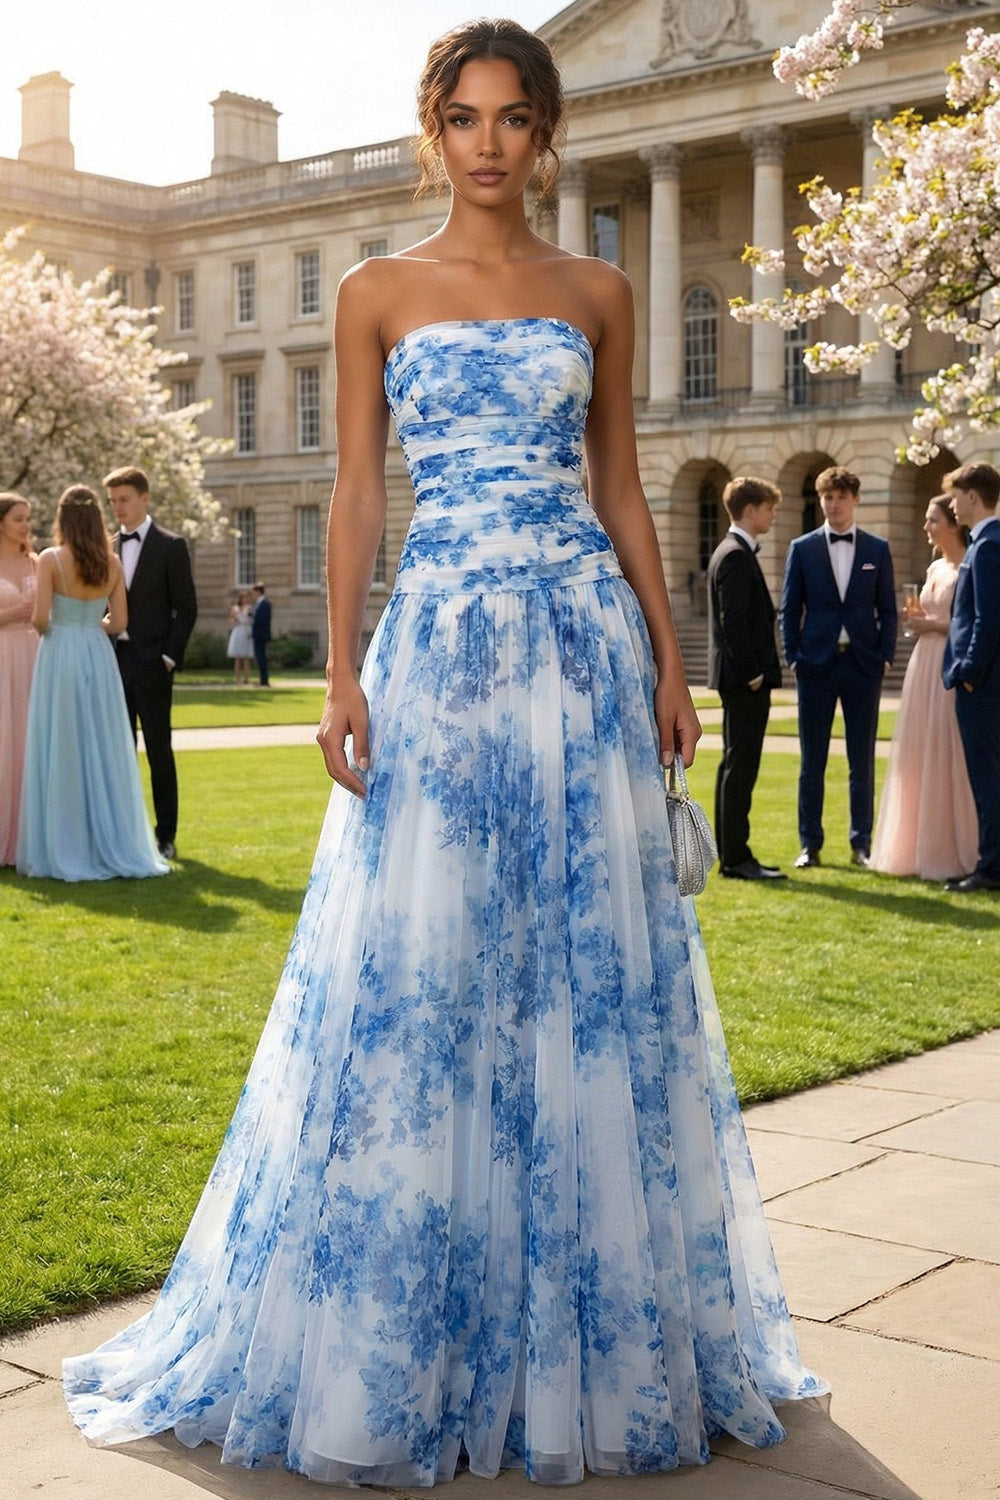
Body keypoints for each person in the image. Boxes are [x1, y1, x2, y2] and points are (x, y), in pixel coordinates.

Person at [64, 21, 823, 1485]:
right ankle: (410, 1333)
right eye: (463, 116)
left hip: (583, 657)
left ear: (546, 136)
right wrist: (341, 666)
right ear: (435, 132)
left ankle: (580, 1341)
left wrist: (673, 667)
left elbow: (617, 488)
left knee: (587, 981)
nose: (489, 141)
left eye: (514, 117)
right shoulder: (373, 291)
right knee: (420, 973)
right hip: (441, 658)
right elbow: (356, 493)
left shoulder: (597, 290)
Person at [16, 486, 168, 882]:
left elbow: (39, 619)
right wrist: (90, 626)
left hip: (60, 653)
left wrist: (67, 628)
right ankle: (109, 838)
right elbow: (118, 624)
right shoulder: (112, 564)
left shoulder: (50, 558)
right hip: (97, 655)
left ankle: (65, 842)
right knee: (99, 744)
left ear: (63, 518)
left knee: (61, 742)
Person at [780, 465, 896, 868]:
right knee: (812, 761)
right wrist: (793, 656)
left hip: (863, 666)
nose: (833, 504)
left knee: (860, 759)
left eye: (841, 497)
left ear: (855, 500)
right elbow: (790, 608)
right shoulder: (803, 548)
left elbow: (888, 609)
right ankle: (809, 845)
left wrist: (884, 656)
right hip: (815, 666)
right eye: (828, 497)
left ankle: (860, 843)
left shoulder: (877, 550)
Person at [870, 497, 978, 880]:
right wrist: (916, 621)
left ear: (952, 523)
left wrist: (932, 625)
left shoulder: (971, 563)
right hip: (923, 664)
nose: (926, 527)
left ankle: (956, 846)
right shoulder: (934, 567)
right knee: (918, 752)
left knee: (950, 751)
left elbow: (970, 622)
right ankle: (915, 846)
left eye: (932, 520)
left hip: (949, 661)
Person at [105, 465, 197, 862]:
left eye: (123, 499)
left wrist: (168, 656)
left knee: (160, 751)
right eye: (112, 502)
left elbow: (187, 609)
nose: (118, 508)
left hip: (153, 665)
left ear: (144, 498)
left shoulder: (171, 546)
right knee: (117, 753)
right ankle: (126, 836)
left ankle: (166, 837)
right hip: (111, 664)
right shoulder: (106, 547)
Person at [707, 476, 785, 880]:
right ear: (751, 510)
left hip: (739, 679)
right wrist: (754, 673)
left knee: (735, 766)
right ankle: (736, 858)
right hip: (743, 681)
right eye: (770, 507)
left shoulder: (732, 550)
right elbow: (732, 621)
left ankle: (735, 853)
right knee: (740, 767)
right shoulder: (735, 555)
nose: (774, 514)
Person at [941, 462, 1000, 892]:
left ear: (973, 497)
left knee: (987, 777)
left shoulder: (988, 545)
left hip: (983, 685)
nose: (953, 505)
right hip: (983, 682)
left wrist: (969, 673)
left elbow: (988, 619)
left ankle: (991, 866)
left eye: (957, 496)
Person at [0, 493, 39, 865]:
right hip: (2, 655)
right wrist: (12, 611)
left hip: (34, 655)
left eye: (28, 518)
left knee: (30, 740)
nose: (26, 525)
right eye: (18, 518)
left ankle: (29, 836)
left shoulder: (37, 562)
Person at [226, 590, 254, 685]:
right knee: (238, 657)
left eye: (246, 598)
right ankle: (237, 679)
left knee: (246, 657)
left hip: (246, 631)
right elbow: (230, 620)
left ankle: (246, 678)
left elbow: (251, 619)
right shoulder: (235, 608)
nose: (245, 600)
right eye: (243, 598)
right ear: (240, 599)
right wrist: (234, 618)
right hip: (238, 631)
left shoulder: (249, 608)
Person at [251, 581, 271, 686]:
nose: (253, 595)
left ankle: (264, 681)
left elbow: (262, 621)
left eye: (254, 592)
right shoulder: (259, 604)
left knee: (261, 658)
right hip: (258, 635)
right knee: (259, 658)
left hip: (260, 635)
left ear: (258, 592)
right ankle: (262, 680)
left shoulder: (264, 604)